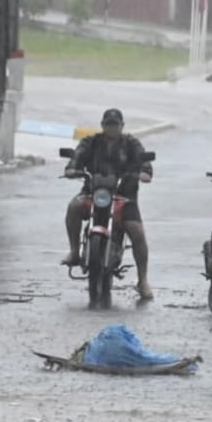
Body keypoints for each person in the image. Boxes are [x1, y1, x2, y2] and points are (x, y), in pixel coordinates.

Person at [62, 108, 154, 300]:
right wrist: (72, 168)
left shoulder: (131, 143)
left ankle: (142, 280)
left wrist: (144, 171)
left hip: (124, 196)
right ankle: (74, 251)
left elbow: (143, 159)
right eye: (108, 124)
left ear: (122, 126)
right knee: (73, 207)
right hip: (93, 193)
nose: (112, 128)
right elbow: (77, 156)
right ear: (103, 125)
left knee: (137, 232)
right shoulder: (91, 142)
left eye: (115, 124)